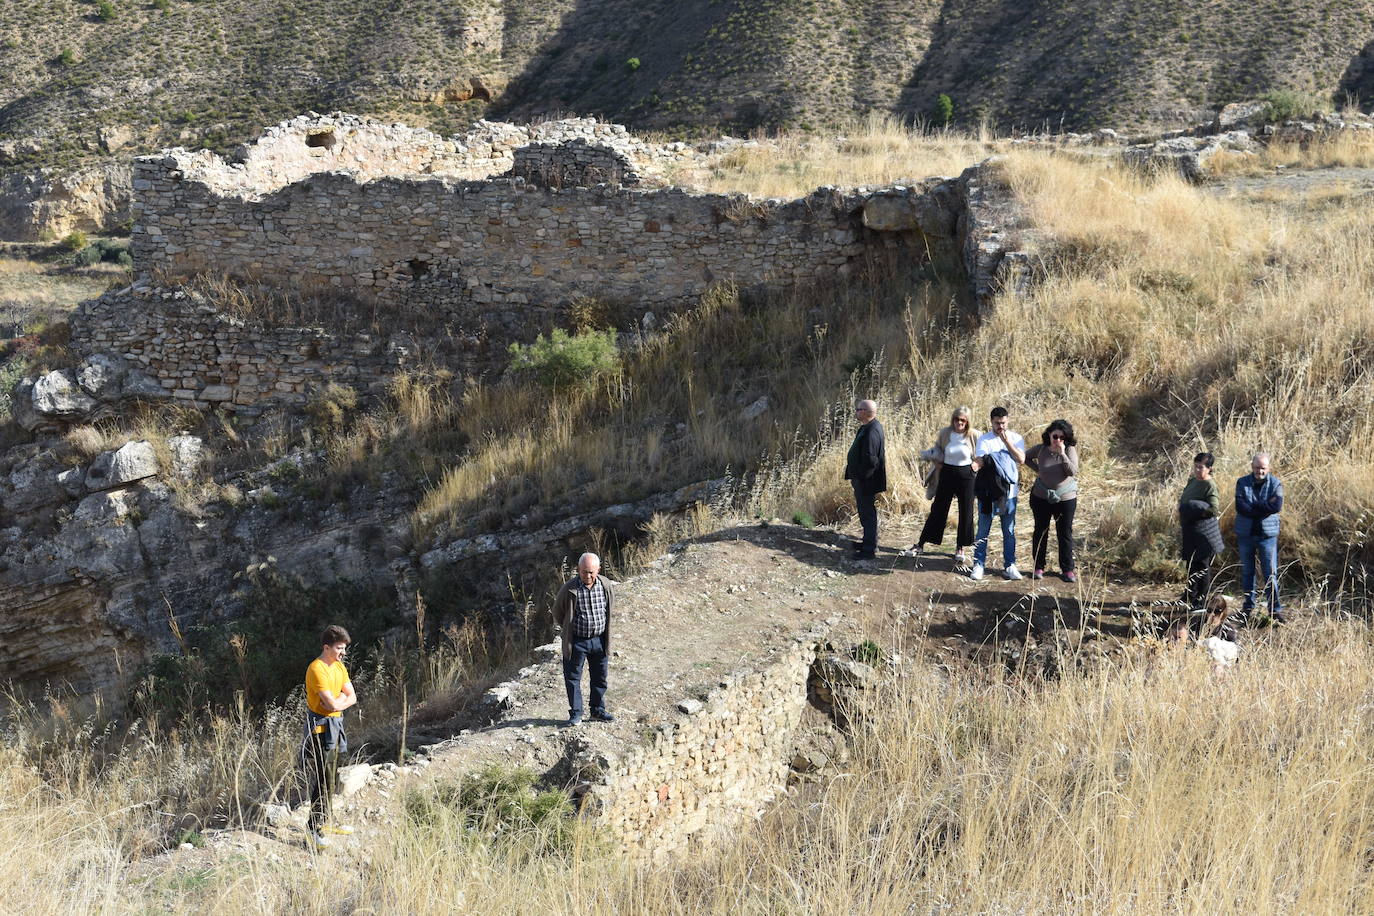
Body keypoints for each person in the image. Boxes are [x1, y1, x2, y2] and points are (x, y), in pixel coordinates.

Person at [301, 624, 357, 850]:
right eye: (339, 648)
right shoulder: (316, 669)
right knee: (323, 779)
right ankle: (312, 829)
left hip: (335, 724)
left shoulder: (339, 667)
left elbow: (351, 697)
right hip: (320, 729)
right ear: (327, 647)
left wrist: (336, 705)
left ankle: (325, 821)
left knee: (332, 776)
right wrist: (337, 704)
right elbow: (335, 702)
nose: (343, 653)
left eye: (344, 648)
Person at [912, 406, 979, 566]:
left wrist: (977, 464)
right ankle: (921, 543)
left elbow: (981, 454)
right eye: (956, 419)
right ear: (953, 419)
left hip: (967, 475)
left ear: (967, 421)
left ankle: (960, 547)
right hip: (947, 473)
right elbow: (937, 449)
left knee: (966, 511)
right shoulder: (945, 433)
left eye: (963, 420)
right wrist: (936, 461)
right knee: (938, 509)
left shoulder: (974, 435)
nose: (959, 423)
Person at [554, 552, 616, 726]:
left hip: (599, 640)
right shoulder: (569, 588)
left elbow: (609, 608)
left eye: (591, 572)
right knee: (573, 678)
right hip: (577, 642)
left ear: (598, 570)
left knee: (600, 677)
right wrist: (568, 629)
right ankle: (576, 713)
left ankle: (597, 710)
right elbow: (557, 611)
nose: (587, 576)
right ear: (578, 570)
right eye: (584, 572)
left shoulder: (605, 584)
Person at [970, 406, 1025, 581]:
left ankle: (1010, 565)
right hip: (988, 493)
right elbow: (982, 461)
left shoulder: (1016, 438)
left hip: (1009, 494)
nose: (1000, 426)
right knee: (982, 531)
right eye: (997, 423)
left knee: (1008, 531)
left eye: (1003, 423)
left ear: (1007, 421)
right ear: (991, 422)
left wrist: (1007, 443)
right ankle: (978, 565)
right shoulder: (984, 440)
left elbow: (1021, 459)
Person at [1024, 419, 1080, 582]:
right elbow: (1025, 458)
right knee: (1040, 531)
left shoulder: (1069, 450)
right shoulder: (1041, 449)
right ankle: (1038, 567)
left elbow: (1072, 471)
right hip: (1041, 497)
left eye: (1062, 438)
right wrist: (1038, 470)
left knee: (1065, 533)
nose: (1058, 440)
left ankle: (1067, 569)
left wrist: (1062, 453)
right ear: (1049, 435)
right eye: (1055, 436)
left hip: (1065, 498)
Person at [1235, 452, 1285, 623]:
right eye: (1257, 468)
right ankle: (1248, 608)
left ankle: (1275, 610)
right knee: (1248, 572)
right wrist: (1264, 506)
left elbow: (1276, 505)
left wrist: (1254, 505)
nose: (1260, 471)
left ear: (1268, 468)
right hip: (1246, 535)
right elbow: (1240, 507)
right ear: (1252, 466)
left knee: (1270, 573)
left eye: (1263, 468)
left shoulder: (1276, 483)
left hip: (1267, 536)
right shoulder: (1242, 482)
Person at [1178, 452, 1224, 615]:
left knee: (1203, 567)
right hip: (1191, 531)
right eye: (1195, 466)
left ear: (1209, 468)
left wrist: (1194, 509)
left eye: (1201, 467)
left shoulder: (1209, 485)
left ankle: (1201, 600)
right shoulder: (1192, 481)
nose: (1197, 470)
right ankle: (1190, 595)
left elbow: (1213, 509)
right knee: (1191, 565)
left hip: (1205, 533)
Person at [843, 399, 886, 560]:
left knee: (867, 513)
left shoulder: (872, 431)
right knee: (865, 512)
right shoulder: (867, 427)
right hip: (863, 479)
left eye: (858, 409)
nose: (856, 411)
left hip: (866, 481)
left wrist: (861, 478)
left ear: (867, 412)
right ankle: (868, 542)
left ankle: (869, 550)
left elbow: (871, 460)